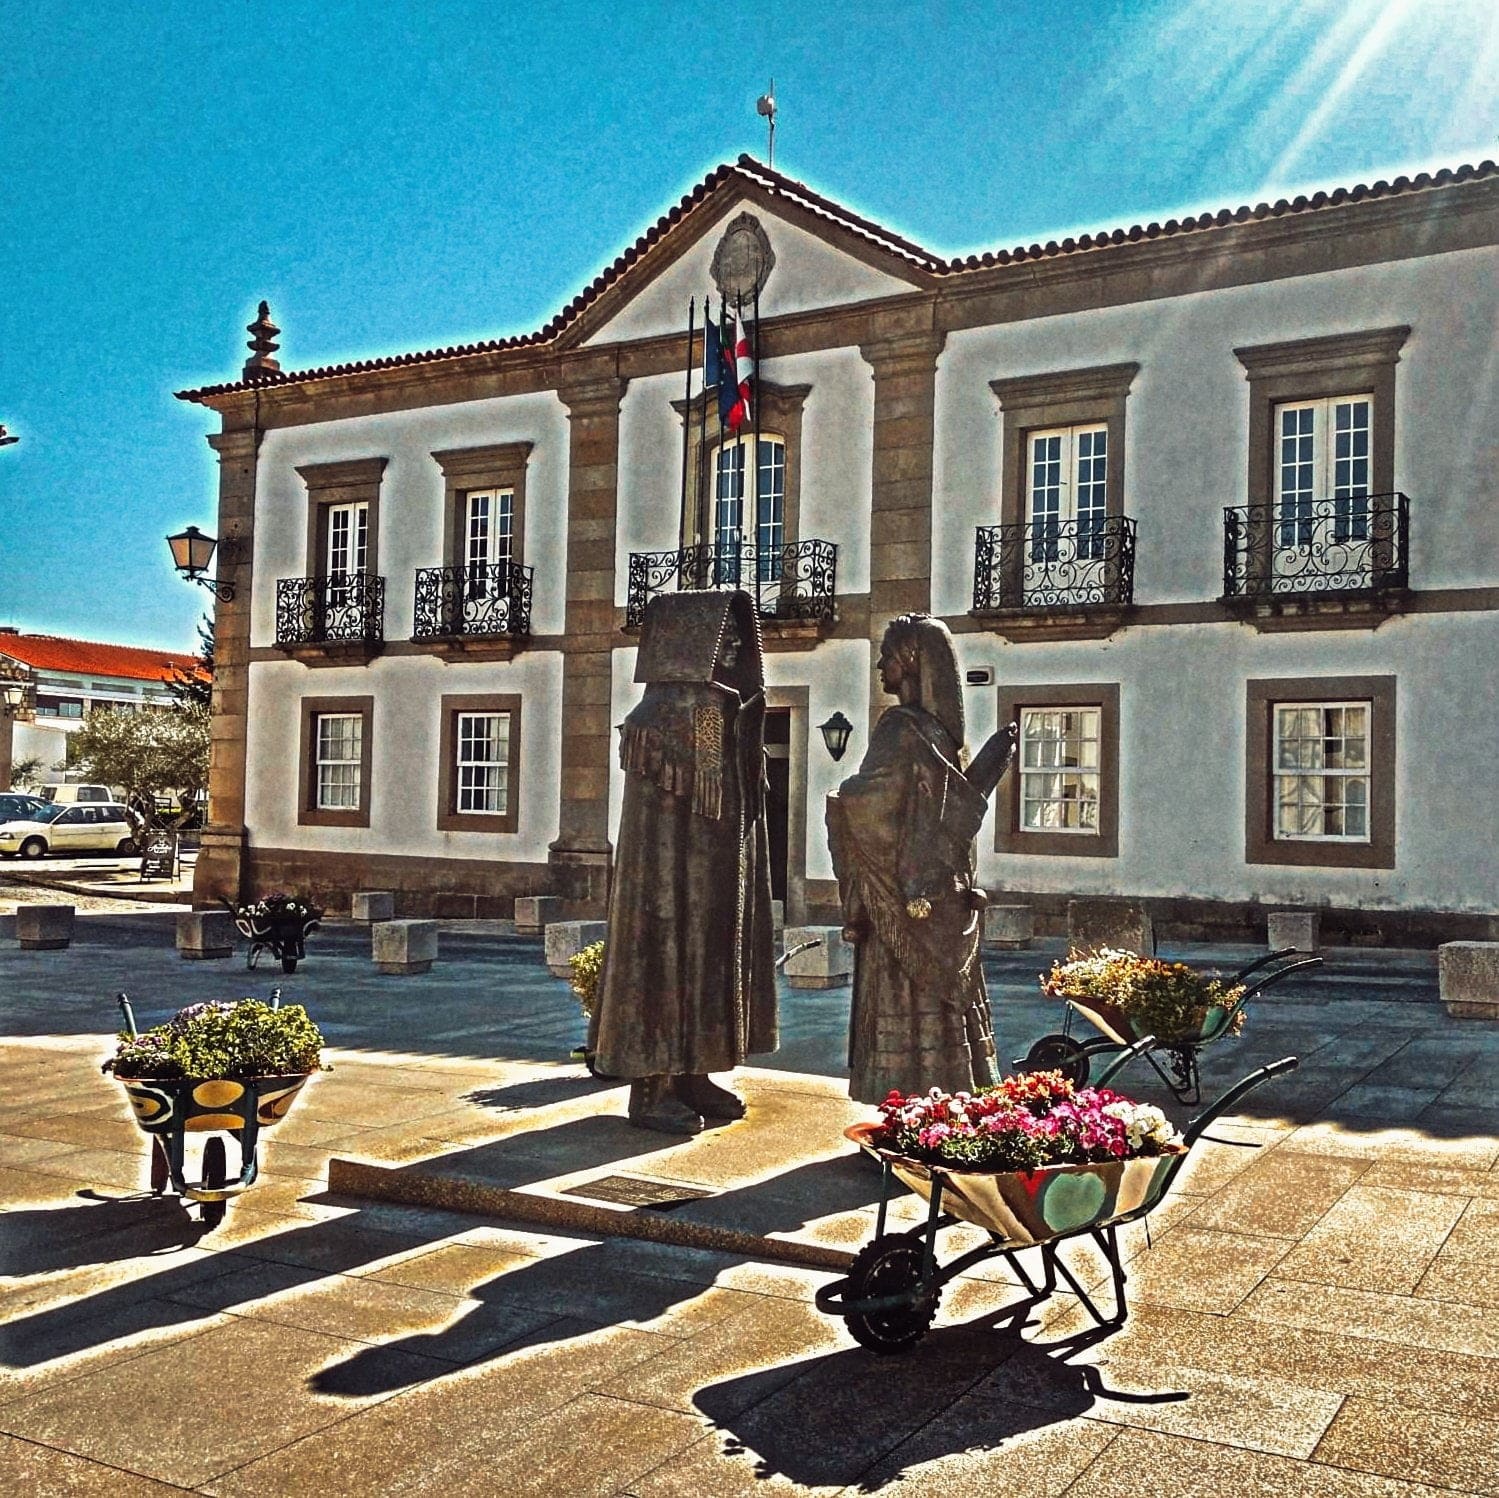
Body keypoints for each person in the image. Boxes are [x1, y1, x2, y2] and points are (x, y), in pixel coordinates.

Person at [589, 589, 777, 1134]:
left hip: (715, 872)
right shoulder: (660, 716)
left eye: (740, 639)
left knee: (710, 955)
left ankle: (696, 1072)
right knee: (665, 959)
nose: (736, 647)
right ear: (688, 643)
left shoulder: (723, 708)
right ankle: (651, 1089)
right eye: (725, 636)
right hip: (669, 885)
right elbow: (658, 825)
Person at [826, 613, 1017, 1104]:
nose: (879, 666)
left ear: (909, 662)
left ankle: (901, 1104)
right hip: (943, 897)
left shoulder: (900, 728)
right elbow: (945, 813)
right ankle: (945, 1097)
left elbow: (872, 804)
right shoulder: (943, 735)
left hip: (905, 904)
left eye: (887, 656)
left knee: (902, 998)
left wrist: (840, 798)